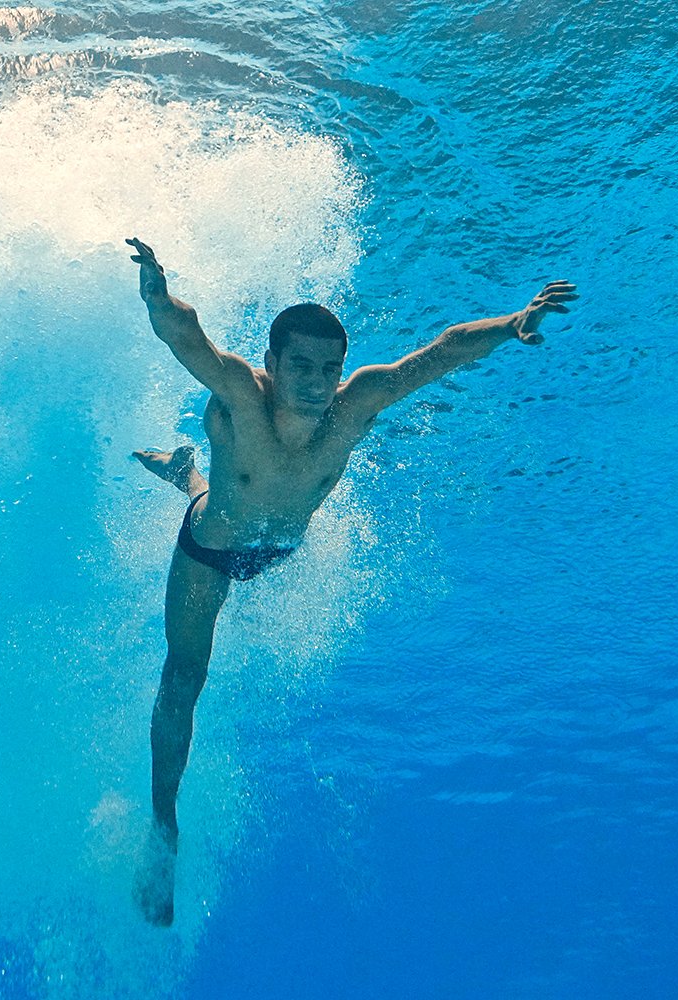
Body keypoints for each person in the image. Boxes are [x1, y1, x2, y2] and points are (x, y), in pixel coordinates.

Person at [125, 236, 577, 926]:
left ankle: (183, 468)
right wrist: (158, 296)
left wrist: (512, 325)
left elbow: (441, 352)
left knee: (216, 488)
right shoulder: (240, 396)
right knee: (184, 676)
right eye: (298, 366)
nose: (315, 382)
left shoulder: (355, 402)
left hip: (275, 546)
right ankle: (164, 830)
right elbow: (191, 341)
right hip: (209, 554)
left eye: (328, 369)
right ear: (272, 364)